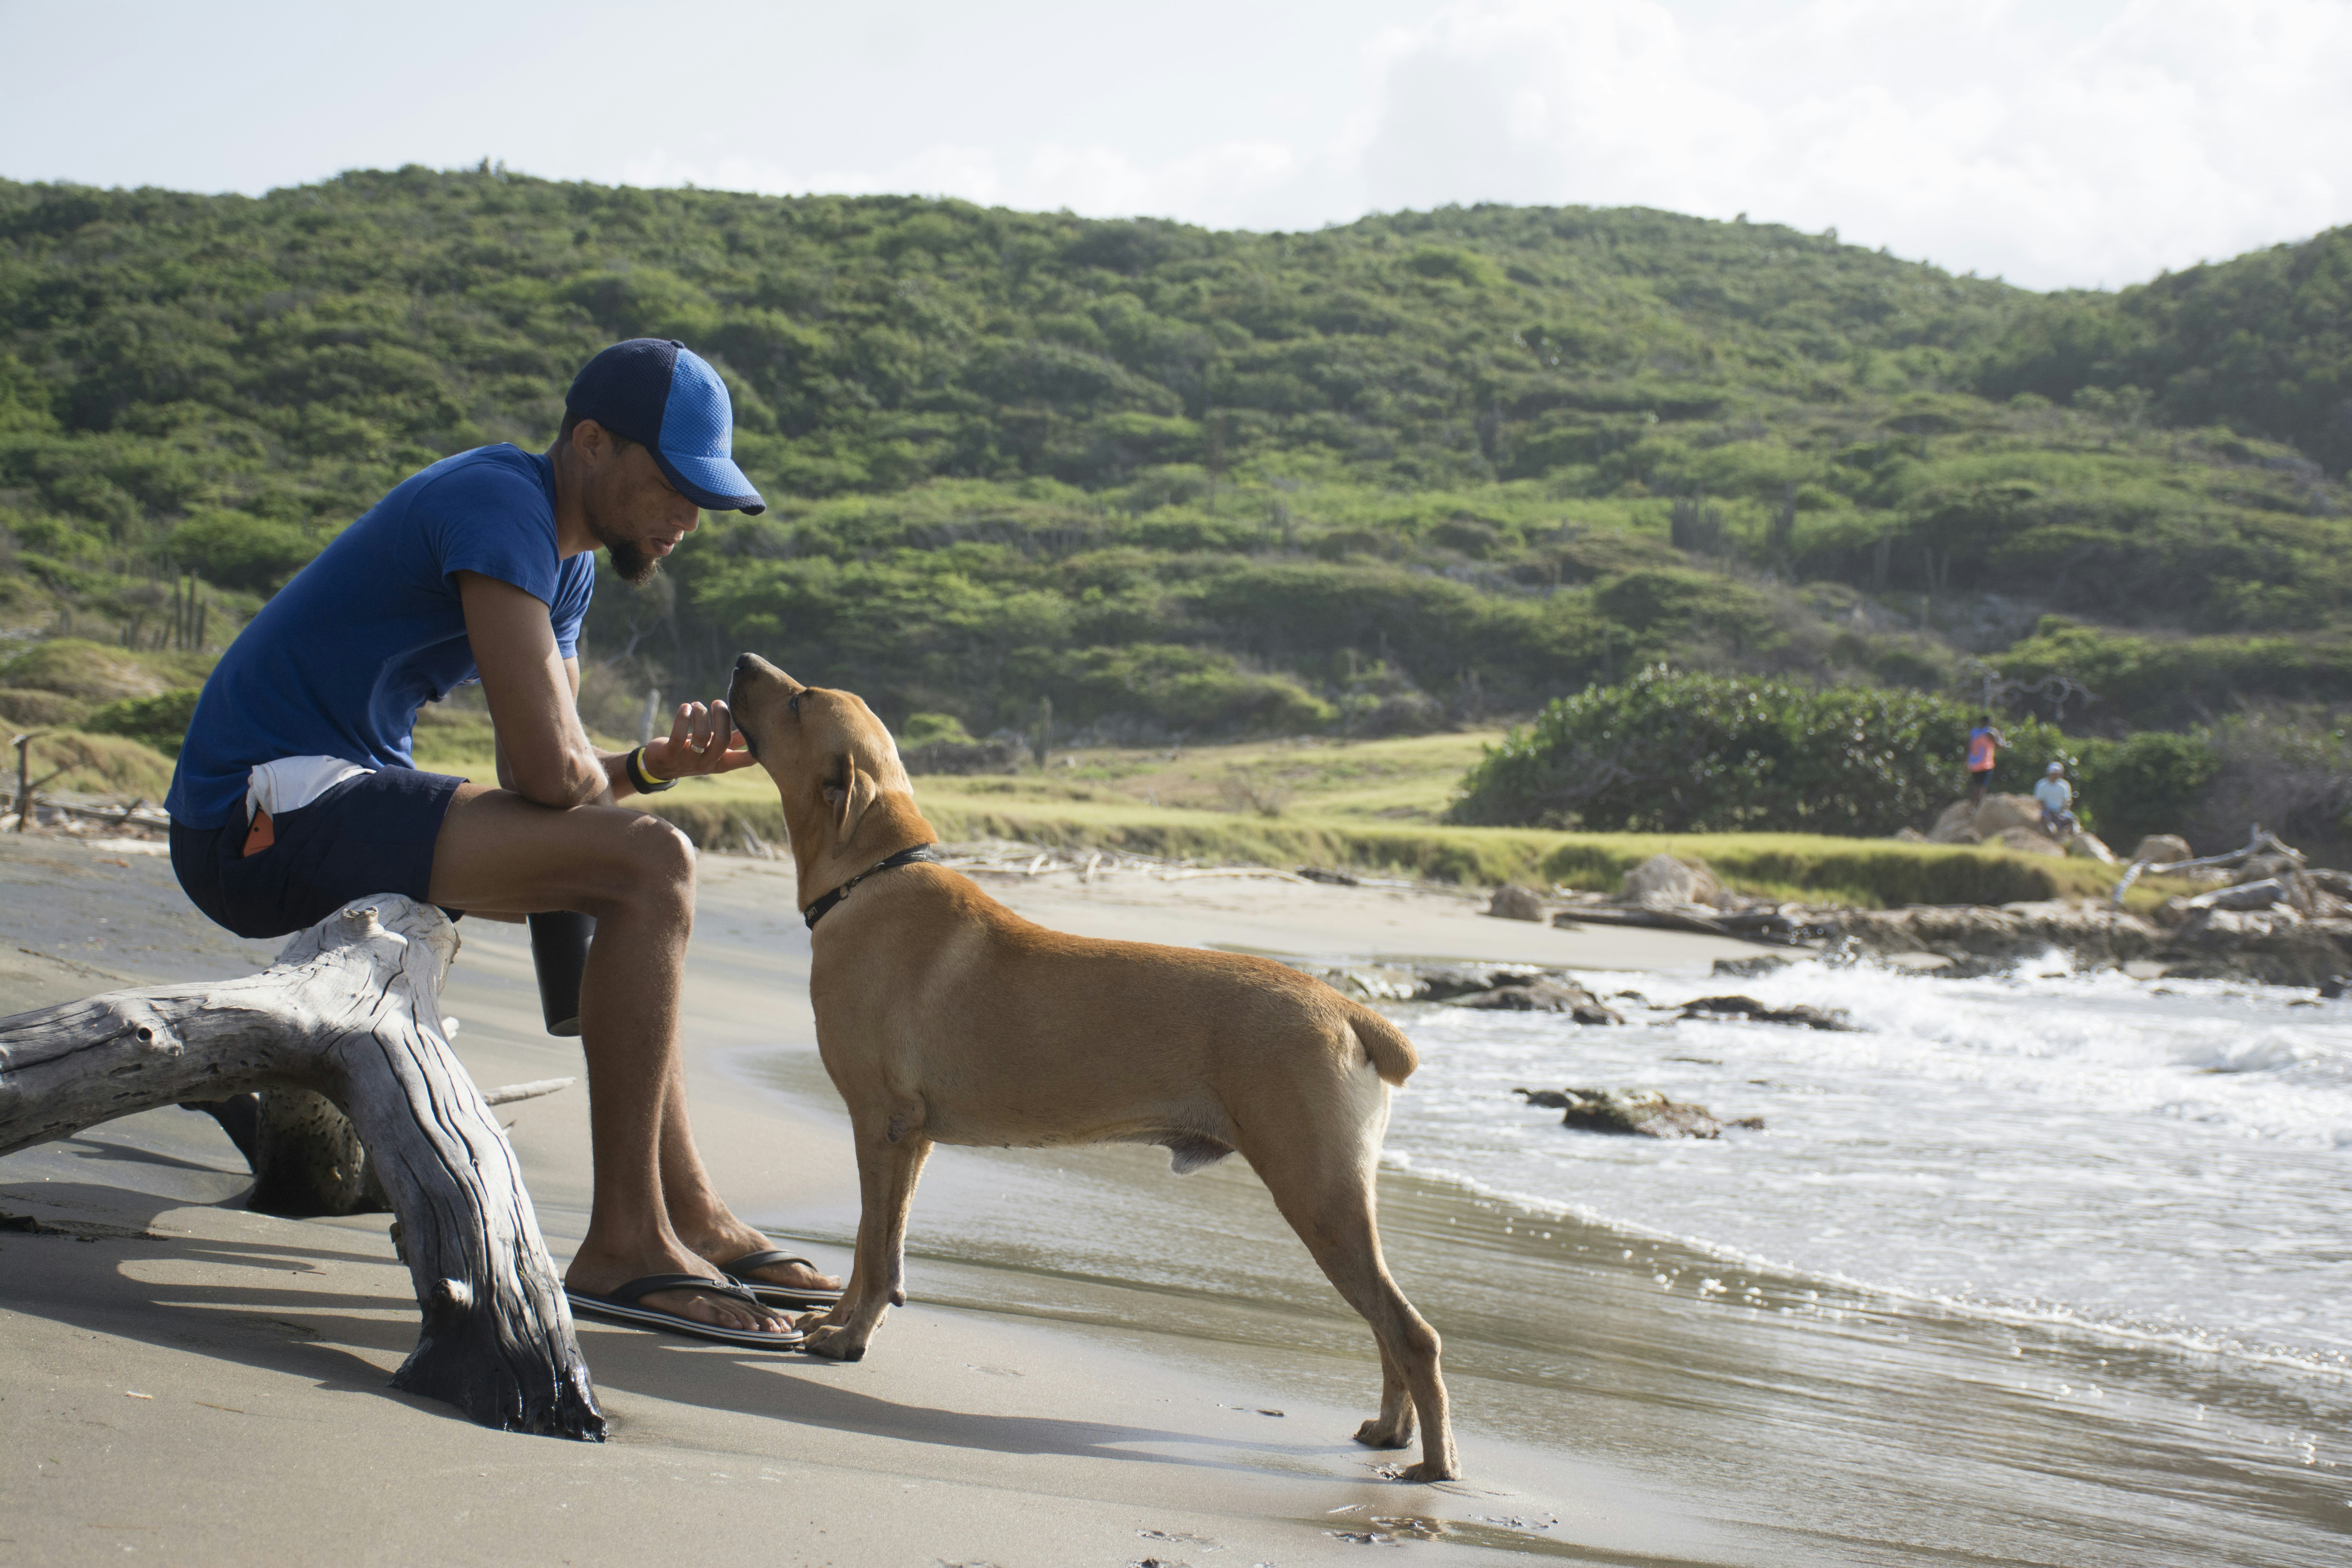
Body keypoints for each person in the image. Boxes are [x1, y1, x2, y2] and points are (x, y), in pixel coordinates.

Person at [163, 338, 831, 1345]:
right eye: (672, 484)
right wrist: (612, 793)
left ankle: (685, 1211)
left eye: (706, 498)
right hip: (249, 815)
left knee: (629, 857)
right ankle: (626, 1241)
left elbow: (551, 776)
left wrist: (651, 767)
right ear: (591, 444)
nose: (687, 517)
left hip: (328, 799)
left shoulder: (563, 566)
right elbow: (549, 771)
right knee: (652, 863)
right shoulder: (497, 503)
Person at [1965, 713, 2005, 806]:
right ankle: (1976, 806)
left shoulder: (1974, 732)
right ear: (1989, 722)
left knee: (1976, 785)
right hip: (1985, 764)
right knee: (1981, 788)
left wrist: (1966, 761)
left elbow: (1968, 747)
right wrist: (2002, 735)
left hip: (1974, 764)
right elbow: (2001, 747)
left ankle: (1972, 805)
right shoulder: (1990, 732)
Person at [2034, 760, 2080, 837]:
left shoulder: (2064, 786)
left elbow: (2068, 801)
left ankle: (2074, 837)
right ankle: (2054, 837)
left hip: (2060, 811)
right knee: (2047, 820)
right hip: (2047, 811)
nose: (2055, 776)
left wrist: (2064, 811)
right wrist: (2047, 810)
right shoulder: (2042, 785)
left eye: (2058, 774)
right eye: (2054, 774)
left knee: (2073, 820)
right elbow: (2040, 801)